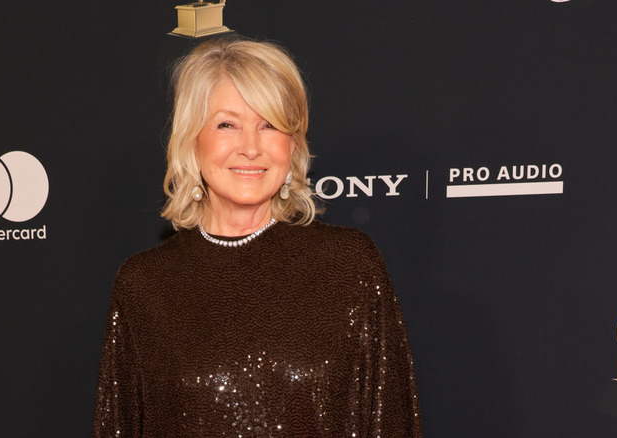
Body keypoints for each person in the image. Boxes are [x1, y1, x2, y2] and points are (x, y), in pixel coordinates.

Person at [93, 38, 422, 437]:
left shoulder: (349, 265)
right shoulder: (144, 284)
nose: (250, 148)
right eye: (227, 125)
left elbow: (392, 423)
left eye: (269, 125)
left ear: (292, 143)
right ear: (193, 140)